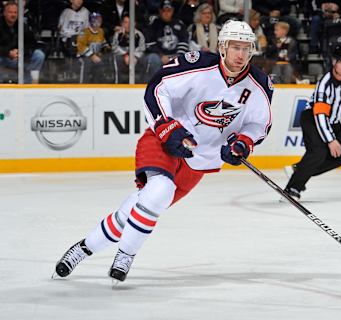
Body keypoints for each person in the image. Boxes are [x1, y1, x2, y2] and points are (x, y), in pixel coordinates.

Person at [53, 20, 273, 283]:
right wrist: (167, 126)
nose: (241, 54)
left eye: (246, 48)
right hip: (165, 142)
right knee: (160, 191)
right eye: (235, 47)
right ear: (222, 47)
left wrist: (243, 143)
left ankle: (83, 248)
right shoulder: (197, 64)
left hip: (199, 162)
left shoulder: (259, 84)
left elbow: (259, 123)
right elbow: (158, 87)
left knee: (142, 206)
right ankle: (126, 254)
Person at [283, 45, 341, 201]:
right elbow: (320, 115)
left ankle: (298, 170)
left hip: (333, 121)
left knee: (340, 157)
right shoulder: (325, 84)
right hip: (312, 119)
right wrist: (331, 140)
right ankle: (292, 188)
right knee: (318, 153)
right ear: (334, 62)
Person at [0, 1, 45, 83]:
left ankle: (27, 79)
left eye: (15, 12)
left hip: (20, 57)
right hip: (4, 57)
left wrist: (21, 52)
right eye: (10, 12)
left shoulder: (22, 25)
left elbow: (31, 43)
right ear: (4, 13)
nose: (13, 15)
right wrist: (8, 53)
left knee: (39, 55)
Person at [144, 0, 189, 80]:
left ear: (172, 11)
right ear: (160, 11)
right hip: (159, 56)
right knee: (153, 59)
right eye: (164, 10)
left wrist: (178, 56)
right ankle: (154, 84)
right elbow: (149, 44)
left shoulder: (179, 24)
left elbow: (184, 41)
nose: (166, 13)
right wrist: (161, 56)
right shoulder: (154, 25)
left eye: (169, 11)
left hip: (176, 56)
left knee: (186, 60)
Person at [77, 12, 112, 83]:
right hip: (83, 57)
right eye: (96, 19)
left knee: (101, 67)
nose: (98, 21)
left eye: (99, 19)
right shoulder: (84, 32)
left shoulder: (100, 31)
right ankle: (83, 86)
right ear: (91, 21)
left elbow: (102, 41)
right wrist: (92, 56)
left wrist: (106, 46)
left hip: (97, 56)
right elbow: (81, 46)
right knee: (87, 64)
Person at [111, 14, 146, 83]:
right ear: (122, 24)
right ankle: (117, 84)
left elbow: (142, 48)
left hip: (135, 58)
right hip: (121, 58)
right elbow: (114, 48)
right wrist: (125, 55)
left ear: (135, 24)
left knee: (144, 60)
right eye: (126, 22)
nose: (128, 25)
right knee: (115, 59)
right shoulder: (118, 34)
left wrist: (134, 56)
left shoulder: (139, 34)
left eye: (131, 22)